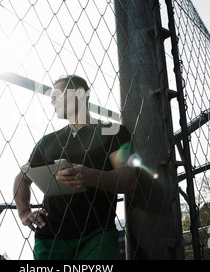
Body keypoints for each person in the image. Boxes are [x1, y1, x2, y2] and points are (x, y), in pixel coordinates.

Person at [13, 75, 139, 260]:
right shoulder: (47, 142)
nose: (51, 100)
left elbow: (129, 178)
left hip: (97, 234)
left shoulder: (112, 131)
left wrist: (91, 176)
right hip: (50, 238)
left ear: (79, 93)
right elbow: (22, 177)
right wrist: (24, 212)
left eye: (56, 94)